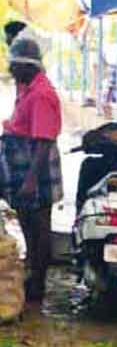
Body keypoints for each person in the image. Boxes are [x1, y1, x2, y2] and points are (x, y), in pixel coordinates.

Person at [0, 38, 62, 303]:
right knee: (27, 221)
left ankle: (38, 282)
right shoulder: (27, 88)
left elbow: (44, 141)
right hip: (22, 163)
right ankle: (32, 271)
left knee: (39, 225)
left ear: (28, 66)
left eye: (14, 66)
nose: (11, 71)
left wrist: (30, 181)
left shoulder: (41, 95)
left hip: (34, 167)